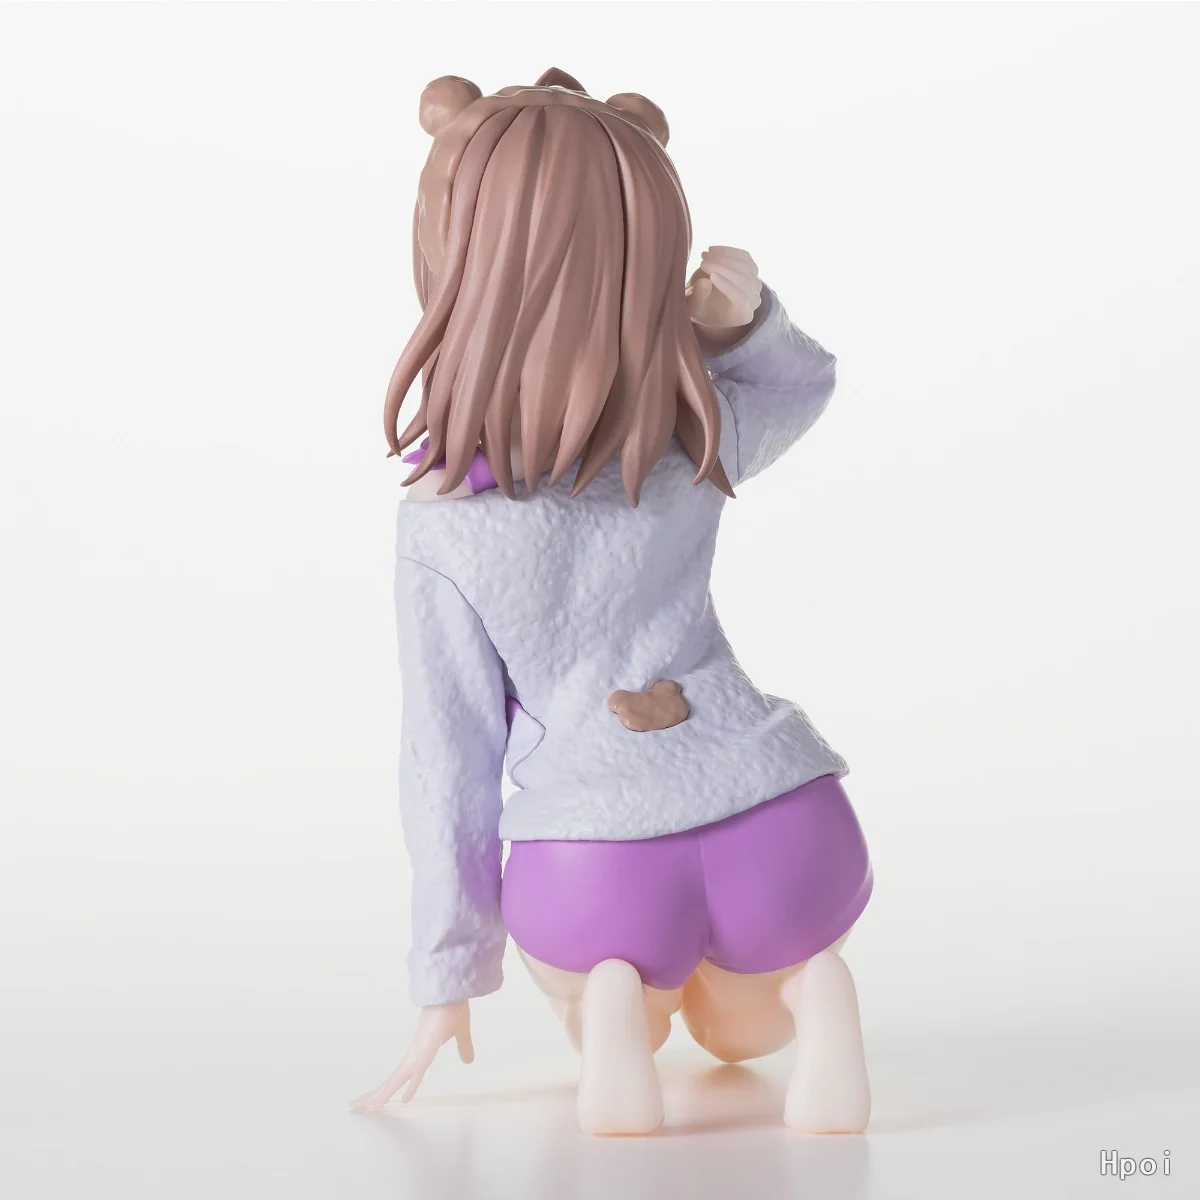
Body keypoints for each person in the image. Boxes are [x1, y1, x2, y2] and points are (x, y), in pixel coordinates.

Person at [352, 70, 872, 1136]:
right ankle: (814, 993)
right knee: (745, 1030)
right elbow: (803, 388)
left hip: (596, 862)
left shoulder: (444, 527)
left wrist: (447, 974)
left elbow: (447, 763)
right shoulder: (687, 438)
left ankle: (615, 1026)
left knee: (603, 979)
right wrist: (740, 327)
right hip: (785, 815)